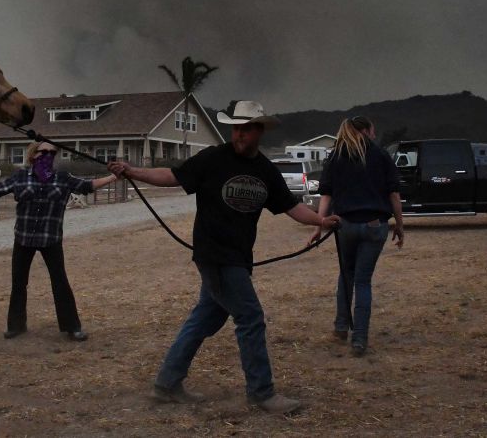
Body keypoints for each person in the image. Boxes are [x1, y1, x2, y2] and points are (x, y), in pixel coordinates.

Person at [108, 101, 340, 414]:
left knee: (206, 316)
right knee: (250, 317)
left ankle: (167, 383)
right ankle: (262, 392)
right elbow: (173, 176)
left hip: (238, 256)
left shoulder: (265, 170)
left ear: (259, 131)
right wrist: (132, 170)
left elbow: (290, 206)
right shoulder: (214, 158)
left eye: (245, 128)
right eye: (235, 128)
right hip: (215, 254)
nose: (239, 134)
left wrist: (320, 221)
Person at [0, 141, 117, 341]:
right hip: (24, 238)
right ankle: (16, 326)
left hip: (50, 239)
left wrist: (114, 176)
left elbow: (87, 186)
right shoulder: (19, 177)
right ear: (33, 155)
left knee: (60, 282)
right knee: (18, 283)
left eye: (53, 152)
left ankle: (72, 327)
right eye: (45, 152)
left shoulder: (62, 178)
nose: (49, 155)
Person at [308, 116, 404, 357]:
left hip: (345, 225)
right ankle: (359, 338)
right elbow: (394, 195)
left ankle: (341, 327)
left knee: (346, 276)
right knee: (363, 281)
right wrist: (400, 225)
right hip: (374, 225)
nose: (374, 135)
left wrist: (319, 225)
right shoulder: (381, 155)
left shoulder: (336, 156)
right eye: (372, 130)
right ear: (366, 130)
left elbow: (326, 195)